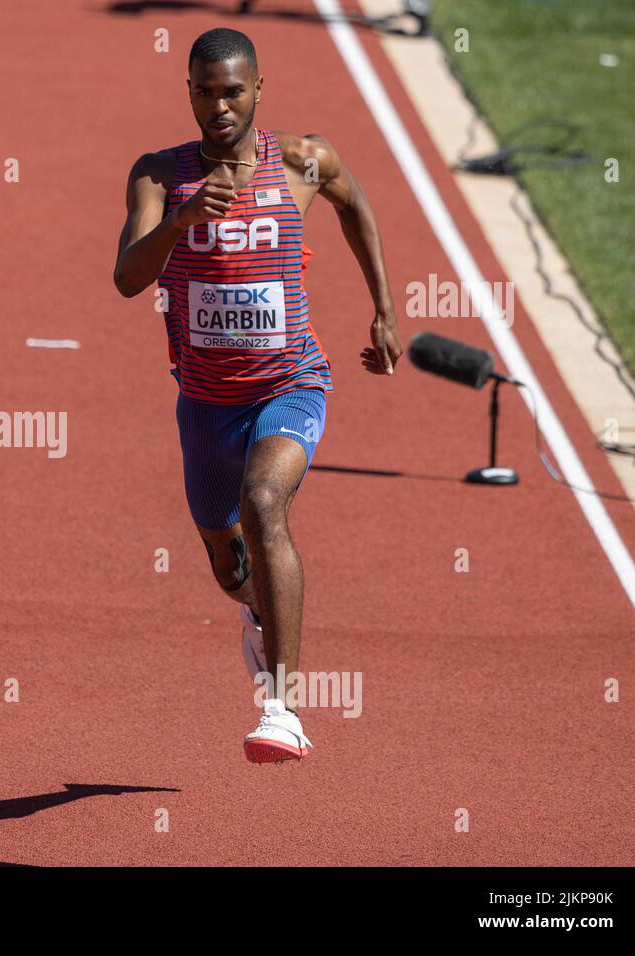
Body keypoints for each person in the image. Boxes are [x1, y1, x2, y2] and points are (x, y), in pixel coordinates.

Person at [113, 27, 402, 763]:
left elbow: (355, 204)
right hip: (205, 404)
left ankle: (283, 709)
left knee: (264, 503)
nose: (219, 106)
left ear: (258, 90)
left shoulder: (304, 160)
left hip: (290, 384)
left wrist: (384, 309)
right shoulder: (158, 175)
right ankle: (256, 609)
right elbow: (126, 278)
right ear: (188, 92)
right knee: (224, 557)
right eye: (205, 91)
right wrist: (182, 219)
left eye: (233, 91)